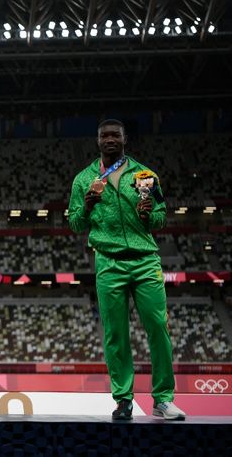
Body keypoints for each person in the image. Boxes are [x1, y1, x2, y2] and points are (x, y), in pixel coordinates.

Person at [68, 119, 185, 421]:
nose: (109, 139)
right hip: (108, 261)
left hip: (146, 260)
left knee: (158, 328)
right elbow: (76, 224)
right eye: (104, 135)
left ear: (124, 139)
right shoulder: (84, 180)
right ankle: (123, 400)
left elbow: (160, 216)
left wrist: (149, 215)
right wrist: (88, 203)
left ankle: (163, 399)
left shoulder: (146, 176)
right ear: (98, 141)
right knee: (116, 334)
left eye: (114, 135)